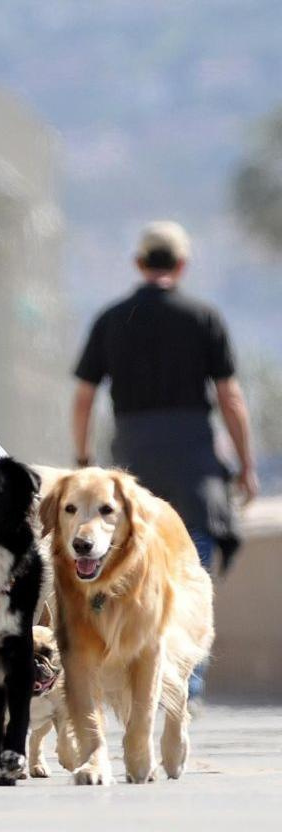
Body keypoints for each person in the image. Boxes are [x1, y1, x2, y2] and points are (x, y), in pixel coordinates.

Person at [71, 220, 256, 698]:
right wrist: (247, 466)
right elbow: (231, 399)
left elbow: (84, 397)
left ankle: (132, 677)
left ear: (138, 263)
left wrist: (84, 458)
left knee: (135, 571)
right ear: (181, 265)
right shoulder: (203, 317)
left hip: (133, 468)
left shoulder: (112, 318)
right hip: (194, 465)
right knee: (191, 573)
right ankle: (185, 687)